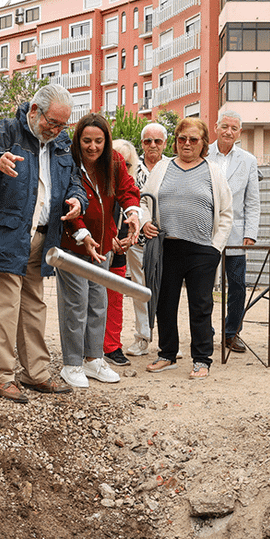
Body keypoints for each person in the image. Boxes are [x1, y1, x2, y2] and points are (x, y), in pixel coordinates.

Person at [0, 83, 86, 403]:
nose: (56, 130)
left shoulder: (60, 144)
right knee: (3, 309)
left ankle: (36, 373)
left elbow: (74, 181)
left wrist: (77, 199)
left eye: (62, 125)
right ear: (34, 111)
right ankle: (1, 376)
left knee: (34, 307)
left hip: (41, 237)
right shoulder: (5, 132)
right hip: (3, 235)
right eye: (52, 122)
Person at [139, 118, 233, 379]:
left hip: (202, 250)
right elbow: (143, 201)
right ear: (176, 141)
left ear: (203, 143)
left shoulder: (213, 171)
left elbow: (226, 213)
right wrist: (145, 222)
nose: (187, 144)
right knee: (165, 303)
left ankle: (201, 359)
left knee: (200, 305)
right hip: (166, 247)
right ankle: (167, 354)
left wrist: (215, 248)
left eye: (193, 139)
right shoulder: (163, 167)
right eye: (182, 139)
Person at [54, 115, 140, 388]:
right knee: (76, 304)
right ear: (78, 140)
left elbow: (127, 190)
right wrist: (82, 233)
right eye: (87, 140)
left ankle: (93, 359)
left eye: (99, 141)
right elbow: (66, 203)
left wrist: (133, 213)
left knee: (98, 303)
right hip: (74, 245)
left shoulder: (113, 161)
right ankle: (72, 364)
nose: (93, 147)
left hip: (102, 248)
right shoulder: (68, 161)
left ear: (106, 141)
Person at [208, 110, 260, 353]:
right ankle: (204, 332)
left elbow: (252, 200)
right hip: (206, 232)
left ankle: (232, 333)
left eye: (234, 128)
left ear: (240, 132)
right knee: (203, 285)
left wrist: (251, 232)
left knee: (238, 285)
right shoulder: (203, 154)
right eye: (225, 126)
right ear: (216, 127)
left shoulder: (248, 160)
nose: (229, 132)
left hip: (237, 233)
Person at [123, 122, 170, 357]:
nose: (152, 145)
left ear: (165, 143)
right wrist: (142, 223)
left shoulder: (172, 167)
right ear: (142, 143)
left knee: (167, 290)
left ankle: (168, 342)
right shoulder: (132, 167)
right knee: (140, 289)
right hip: (138, 239)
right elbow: (127, 198)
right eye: (148, 141)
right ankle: (142, 337)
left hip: (167, 241)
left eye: (157, 141)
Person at [102, 138, 143, 367]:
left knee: (115, 299)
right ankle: (90, 347)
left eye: (126, 164)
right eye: (117, 162)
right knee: (92, 299)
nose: (121, 167)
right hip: (96, 248)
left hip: (119, 251)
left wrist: (127, 240)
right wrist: (109, 239)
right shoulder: (97, 182)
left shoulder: (129, 188)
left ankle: (112, 346)